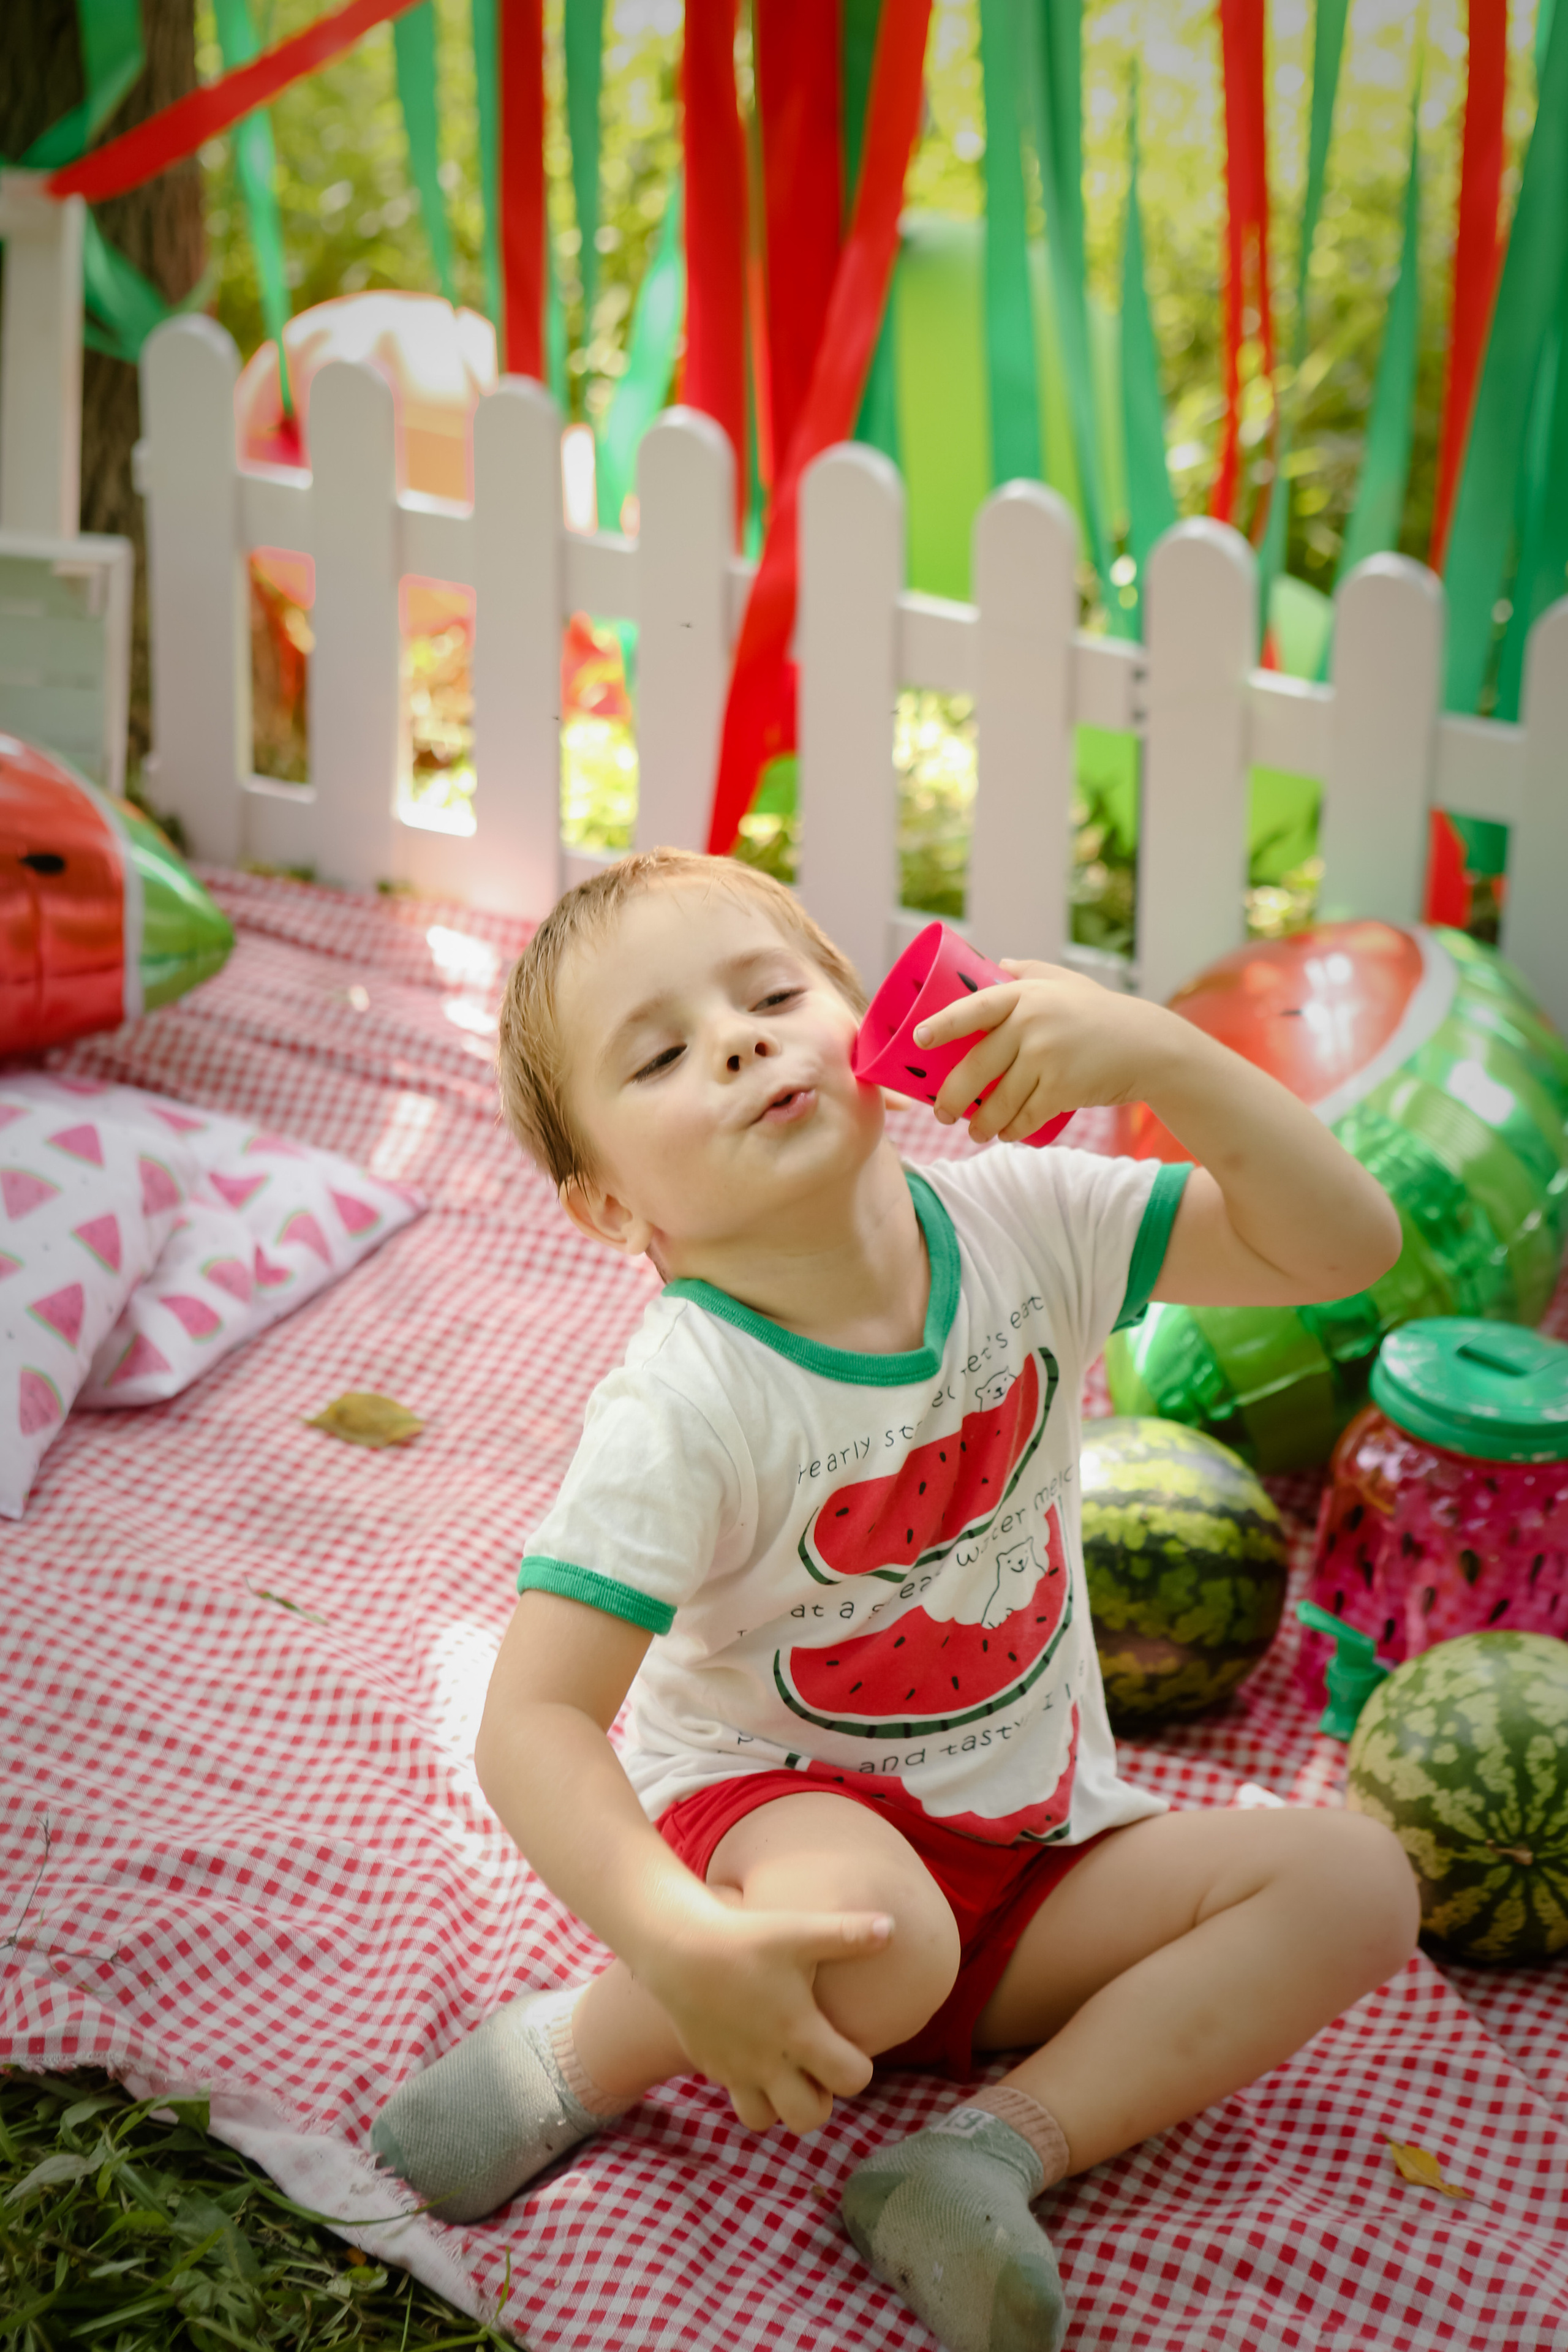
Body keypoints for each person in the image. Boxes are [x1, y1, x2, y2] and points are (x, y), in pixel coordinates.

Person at [371, 850, 1419, 2352]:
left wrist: (1162, 1051)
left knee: (1354, 1888)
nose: (737, 1041)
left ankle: (978, 2157)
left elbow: (1346, 1244)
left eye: (773, 996)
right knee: (883, 1933)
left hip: (1031, 1843)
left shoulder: (1027, 1223)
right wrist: (669, 1932)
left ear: (874, 1030)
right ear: (606, 1204)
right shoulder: (688, 1402)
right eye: (662, 1054)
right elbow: (533, 1714)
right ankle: (585, 2047)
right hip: (772, 1830)